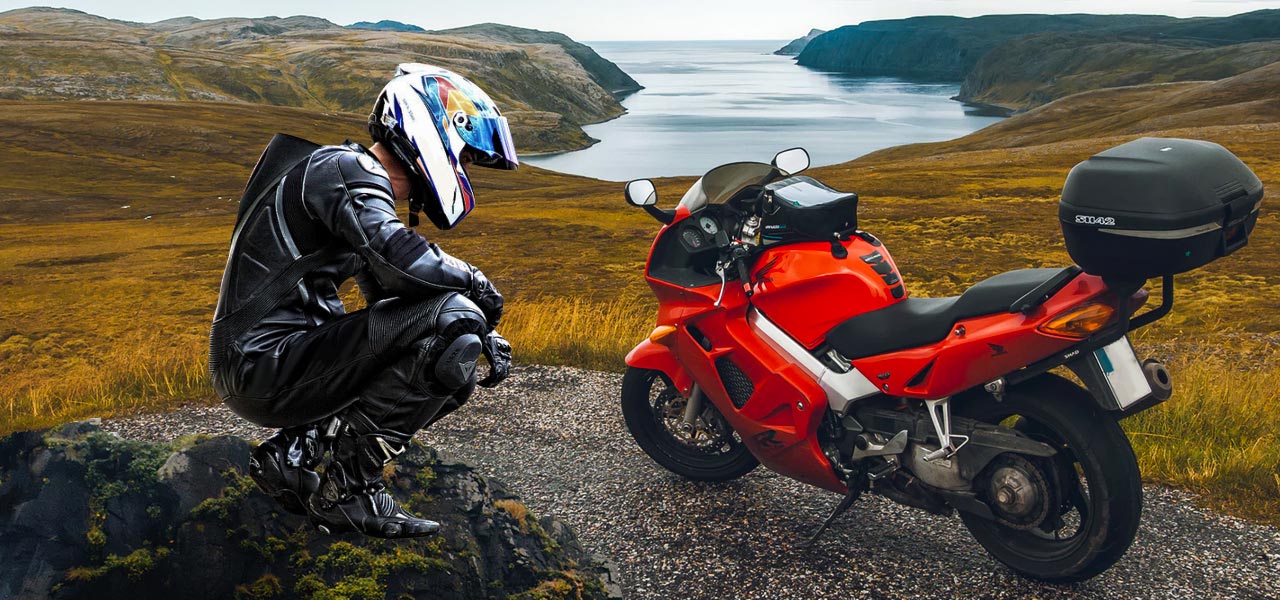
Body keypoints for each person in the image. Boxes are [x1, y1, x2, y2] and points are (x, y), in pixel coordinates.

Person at [208, 64, 516, 539]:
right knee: (457, 319)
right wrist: (478, 288)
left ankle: (298, 452)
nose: (465, 169)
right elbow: (402, 260)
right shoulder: (346, 169)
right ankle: (346, 491)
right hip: (262, 363)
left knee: (454, 358)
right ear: (432, 131)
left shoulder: (349, 183)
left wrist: (480, 332)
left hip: (270, 364)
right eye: (466, 157)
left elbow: (395, 298)